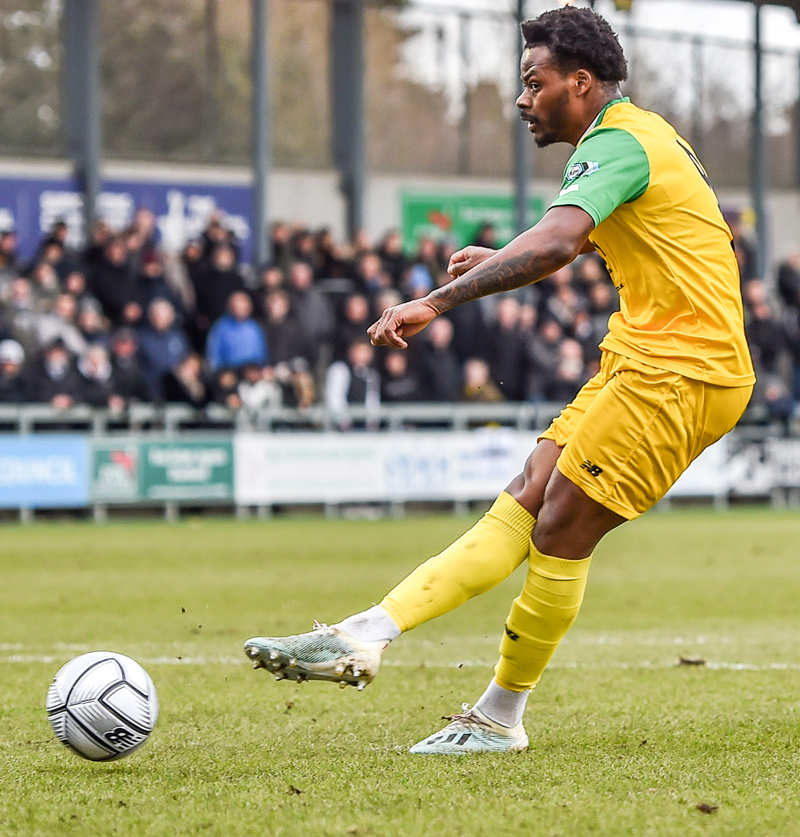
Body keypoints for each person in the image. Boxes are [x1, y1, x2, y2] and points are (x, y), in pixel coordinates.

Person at [244, 7, 755, 755]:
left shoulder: (619, 141)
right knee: (529, 492)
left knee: (562, 525)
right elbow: (624, 236)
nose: (522, 98)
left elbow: (557, 241)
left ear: (581, 82)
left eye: (533, 82)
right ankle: (365, 632)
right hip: (646, 357)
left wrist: (435, 300)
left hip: (686, 370)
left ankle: (498, 717)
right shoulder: (636, 137)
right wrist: (507, 254)